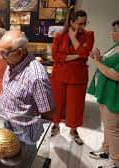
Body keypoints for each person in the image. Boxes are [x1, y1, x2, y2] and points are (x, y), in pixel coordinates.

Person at [0, 30, 54, 145]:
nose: (1, 57)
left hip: (24, 133)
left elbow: (48, 112)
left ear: (19, 52)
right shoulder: (12, 63)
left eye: (4, 53)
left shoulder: (36, 76)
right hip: (8, 124)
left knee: (24, 160)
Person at [50, 8, 94, 145]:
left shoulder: (89, 35)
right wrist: (77, 56)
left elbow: (85, 52)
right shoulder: (59, 36)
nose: (82, 27)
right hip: (59, 75)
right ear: (71, 22)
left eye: (84, 23)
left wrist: (74, 38)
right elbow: (55, 57)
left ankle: (73, 130)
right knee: (57, 102)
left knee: (76, 106)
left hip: (78, 77)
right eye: (80, 24)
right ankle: (55, 125)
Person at [88, 20, 119, 168]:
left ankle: (115, 161)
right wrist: (99, 57)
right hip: (106, 92)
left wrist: (97, 62)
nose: (112, 33)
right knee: (107, 125)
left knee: (113, 129)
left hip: (114, 94)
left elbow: (115, 74)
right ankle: (106, 149)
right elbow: (106, 64)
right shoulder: (116, 46)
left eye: (115, 30)